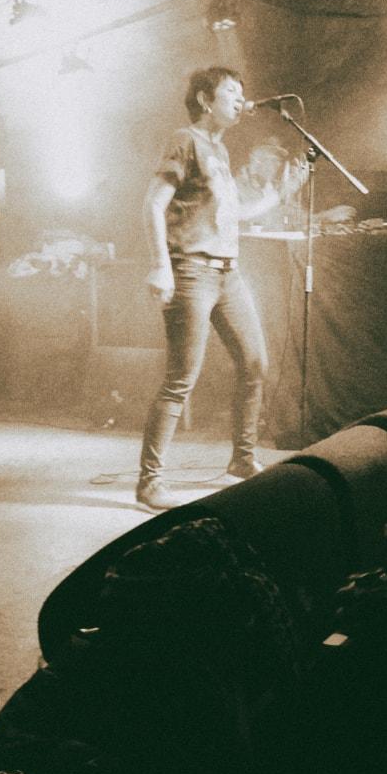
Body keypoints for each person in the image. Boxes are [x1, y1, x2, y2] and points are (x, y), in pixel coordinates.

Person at [136, 66, 301, 513]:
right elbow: (152, 204)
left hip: (229, 274)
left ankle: (242, 459)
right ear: (205, 100)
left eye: (242, 92)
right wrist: (161, 266)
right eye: (231, 91)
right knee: (180, 379)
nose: (241, 99)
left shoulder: (220, 150)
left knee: (254, 362)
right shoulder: (185, 140)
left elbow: (233, 215)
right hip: (191, 270)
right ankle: (150, 482)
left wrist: (281, 194)